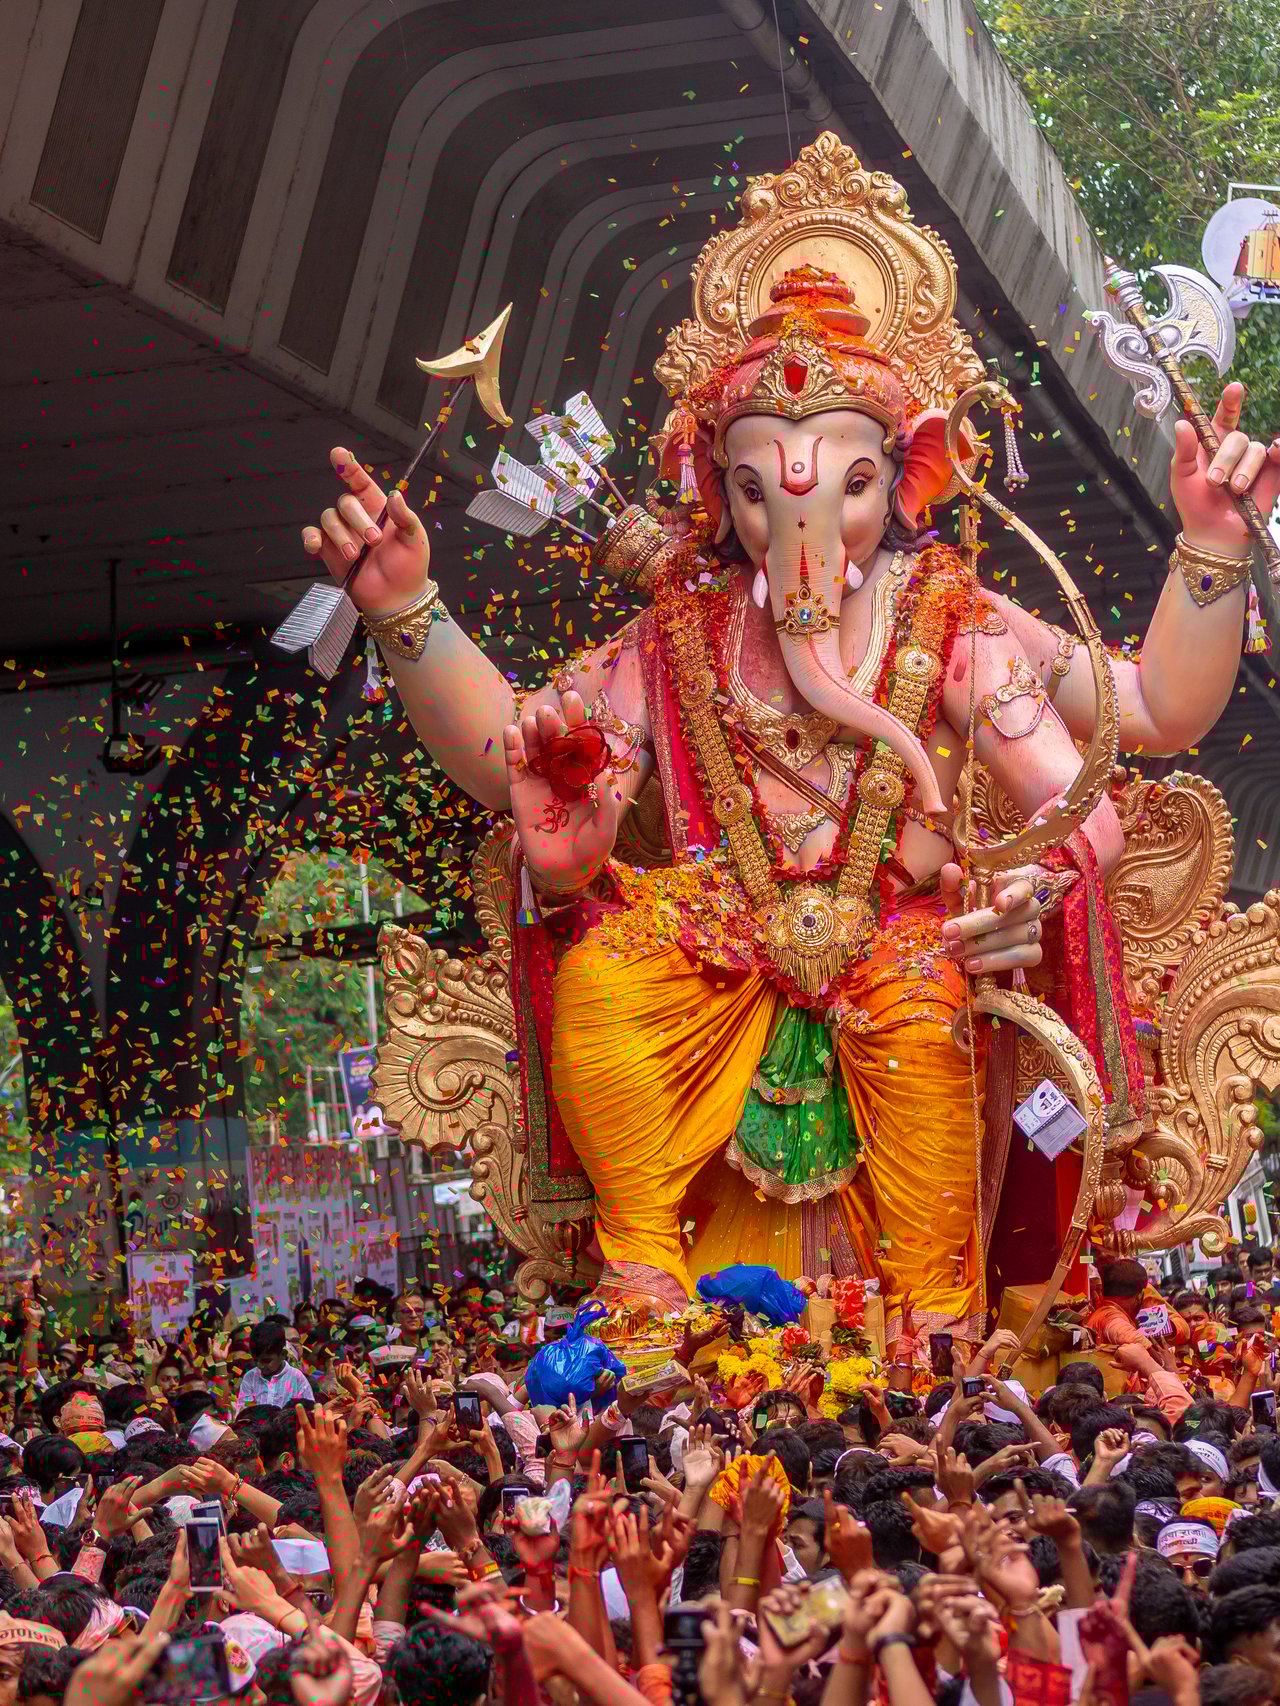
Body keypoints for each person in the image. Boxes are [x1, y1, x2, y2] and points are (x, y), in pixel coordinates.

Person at [300, 128, 1280, 1361]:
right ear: (713, 488)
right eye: (756, 493)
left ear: (902, 476)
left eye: (841, 489)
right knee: (606, 975)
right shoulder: (676, 633)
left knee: (920, 1011)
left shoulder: (954, 624)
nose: (795, 525)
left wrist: (1209, 545)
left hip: (905, 939)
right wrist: (402, 608)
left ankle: (934, 1318)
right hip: (720, 934)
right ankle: (645, 1267)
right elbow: (515, 749)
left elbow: (1125, 746)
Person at [234, 1319, 315, 1415]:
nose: (260, 1366)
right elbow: (243, 1414)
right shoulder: (250, 1378)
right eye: (255, 1360)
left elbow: (309, 1412)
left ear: (283, 1354)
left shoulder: (297, 1378)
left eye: (266, 1361)